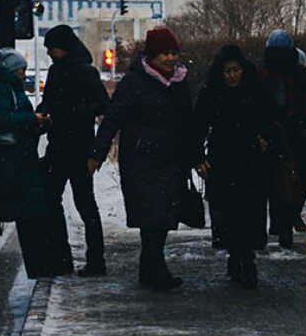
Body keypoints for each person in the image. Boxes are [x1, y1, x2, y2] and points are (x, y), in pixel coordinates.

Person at [88, 26, 197, 291]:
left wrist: (196, 155)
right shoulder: (134, 83)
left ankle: (149, 268)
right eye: (164, 54)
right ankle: (156, 269)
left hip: (172, 161)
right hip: (141, 161)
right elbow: (113, 119)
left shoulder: (180, 83)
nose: (170, 59)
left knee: (164, 217)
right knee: (151, 216)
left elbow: (189, 122)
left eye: (173, 53)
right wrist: (97, 154)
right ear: (152, 57)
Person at [195, 43, 275, 288]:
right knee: (230, 211)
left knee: (247, 210)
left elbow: (270, 117)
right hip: (223, 159)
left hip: (249, 159)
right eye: (227, 71)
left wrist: (265, 138)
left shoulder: (254, 90)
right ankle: (238, 255)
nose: (231, 75)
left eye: (235, 70)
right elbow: (197, 124)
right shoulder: (213, 92)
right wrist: (198, 157)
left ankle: (245, 257)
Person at [0, 49, 63, 277]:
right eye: (21, 69)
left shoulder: (9, 89)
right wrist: (32, 119)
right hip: (15, 161)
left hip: (21, 158)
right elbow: (1, 119)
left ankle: (41, 266)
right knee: (30, 215)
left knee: (32, 214)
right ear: (11, 69)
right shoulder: (3, 90)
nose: (23, 73)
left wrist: (37, 125)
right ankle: (39, 267)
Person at [38, 24, 108, 276]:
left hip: (78, 147)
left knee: (83, 204)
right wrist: (43, 114)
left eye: (51, 48)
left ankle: (91, 260)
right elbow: (49, 100)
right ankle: (62, 257)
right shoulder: (57, 70)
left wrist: (69, 114)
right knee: (60, 201)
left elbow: (102, 105)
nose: (49, 53)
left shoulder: (85, 72)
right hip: (60, 146)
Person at [260, 28, 306, 249]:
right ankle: (287, 223)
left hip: (273, 139)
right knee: (295, 185)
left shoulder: (264, 75)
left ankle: (279, 224)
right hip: (298, 138)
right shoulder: (302, 75)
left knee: (275, 185)